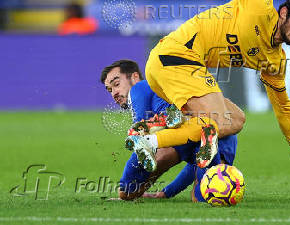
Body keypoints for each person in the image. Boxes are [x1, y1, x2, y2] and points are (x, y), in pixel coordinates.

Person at [129, 0, 290, 174]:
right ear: (283, 13)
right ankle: (152, 137)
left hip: (175, 71)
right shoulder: (259, 6)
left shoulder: (274, 61)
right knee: (217, 121)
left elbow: (282, 106)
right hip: (176, 55)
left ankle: (153, 133)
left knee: (236, 120)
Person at [100, 59, 238, 200]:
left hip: (186, 129)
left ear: (135, 76)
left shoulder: (139, 88)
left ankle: (161, 122)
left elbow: (141, 136)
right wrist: (167, 192)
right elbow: (193, 165)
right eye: (110, 90)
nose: (114, 93)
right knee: (201, 197)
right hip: (218, 134)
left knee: (138, 139)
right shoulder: (165, 89)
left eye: (116, 84)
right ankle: (169, 122)